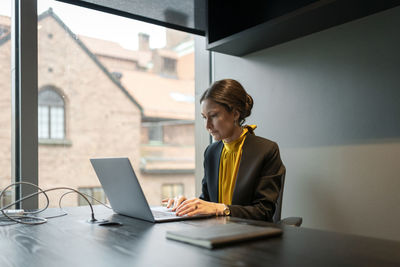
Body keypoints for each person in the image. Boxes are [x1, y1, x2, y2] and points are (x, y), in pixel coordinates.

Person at [162, 79, 285, 222]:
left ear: (235, 114)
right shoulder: (211, 152)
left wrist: (220, 209)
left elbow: (264, 212)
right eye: (204, 117)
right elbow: (207, 201)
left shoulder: (266, 150)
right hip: (217, 233)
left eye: (213, 116)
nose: (207, 126)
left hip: (250, 236)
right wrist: (188, 205)